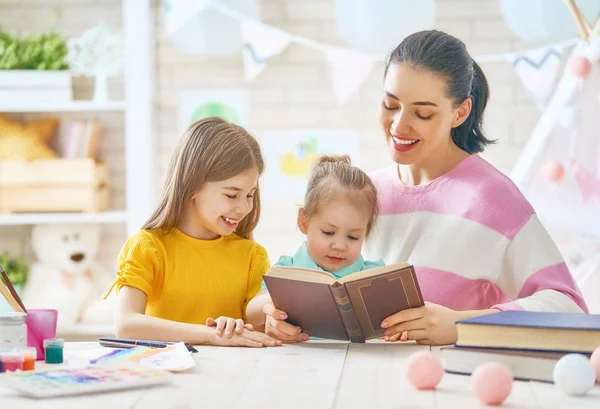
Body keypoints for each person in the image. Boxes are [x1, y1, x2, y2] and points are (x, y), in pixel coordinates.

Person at [259, 30, 588, 345]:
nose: (399, 125)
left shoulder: (493, 200)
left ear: (460, 113)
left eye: (423, 113)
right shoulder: (364, 193)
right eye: (390, 105)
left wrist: (462, 325)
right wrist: (282, 317)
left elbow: (570, 309)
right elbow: (310, 282)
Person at [105, 117, 280, 348]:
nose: (245, 207)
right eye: (231, 194)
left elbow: (255, 334)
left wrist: (239, 327)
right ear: (193, 185)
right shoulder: (148, 246)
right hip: (163, 376)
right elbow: (126, 325)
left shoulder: (252, 256)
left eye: (250, 195)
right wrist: (210, 334)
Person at [247, 155, 383, 341]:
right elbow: (252, 312)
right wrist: (273, 304)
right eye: (328, 232)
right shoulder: (287, 269)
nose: (339, 245)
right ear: (303, 221)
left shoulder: (375, 275)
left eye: (353, 237)